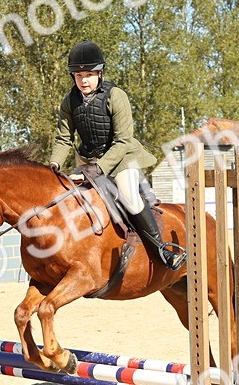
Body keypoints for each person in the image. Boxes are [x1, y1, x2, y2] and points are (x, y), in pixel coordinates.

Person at [49, 40, 185, 271]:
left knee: (130, 199)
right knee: (66, 199)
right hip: (87, 159)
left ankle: (162, 250)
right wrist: (54, 164)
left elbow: (123, 140)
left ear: (99, 74)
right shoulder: (69, 101)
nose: (83, 80)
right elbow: (64, 138)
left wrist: (99, 168)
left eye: (89, 74)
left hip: (122, 158)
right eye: (79, 75)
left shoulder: (116, 96)